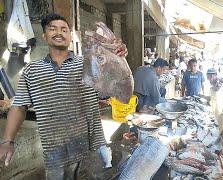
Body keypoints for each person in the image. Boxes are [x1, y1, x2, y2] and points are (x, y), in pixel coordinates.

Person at [0, 13, 127, 179]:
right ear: (44, 35)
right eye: (53, 29)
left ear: (70, 36)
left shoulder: (88, 64)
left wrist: (118, 58)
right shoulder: (32, 71)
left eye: (64, 29)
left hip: (91, 148)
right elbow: (19, 107)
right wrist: (7, 141)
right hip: (55, 153)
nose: (59, 33)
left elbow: (115, 87)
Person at [206, 68, 223, 134]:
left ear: (212, 76)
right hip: (218, 115)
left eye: (208, 77)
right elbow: (211, 99)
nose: (208, 79)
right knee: (220, 132)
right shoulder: (212, 88)